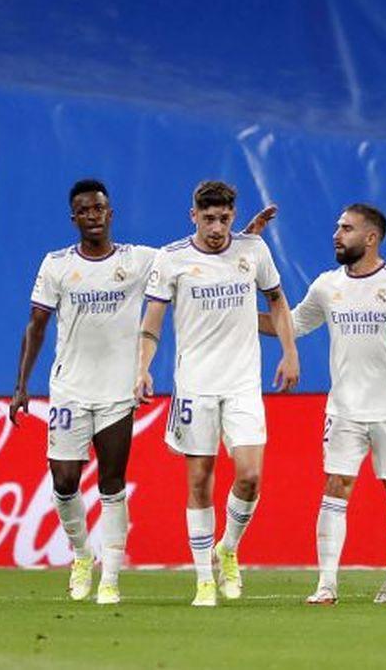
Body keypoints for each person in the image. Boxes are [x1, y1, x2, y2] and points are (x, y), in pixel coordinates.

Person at [10, 179, 274, 605]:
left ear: (110, 213)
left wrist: (246, 240)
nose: (93, 216)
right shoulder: (56, 264)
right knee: (64, 480)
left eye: (100, 209)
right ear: (74, 217)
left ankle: (110, 579)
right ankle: (81, 555)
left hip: (118, 389)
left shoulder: (141, 260)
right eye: (84, 210)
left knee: (112, 483)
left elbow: (204, 255)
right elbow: (36, 325)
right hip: (69, 389)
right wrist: (22, 384)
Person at [259, 203, 386, 606]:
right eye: (338, 227)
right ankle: (326, 584)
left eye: (347, 228)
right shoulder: (326, 286)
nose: (337, 234)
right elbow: (293, 324)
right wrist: (233, 315)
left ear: (371, 238)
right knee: (335, 486)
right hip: (344, 409)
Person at [135, 180, 298, 607]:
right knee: (199, 479)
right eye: (208, 218)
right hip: (196, 385)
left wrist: (289, 351)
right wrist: (142, 368)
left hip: (243, 382)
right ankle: (204, 579)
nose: (216, 226)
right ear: (193, 216)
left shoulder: (253, 250)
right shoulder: (171, 259)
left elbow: (277, 302)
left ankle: (227, 547)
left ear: (232, 215)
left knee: (249, 475)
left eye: (224, 218)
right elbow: (151, 323)